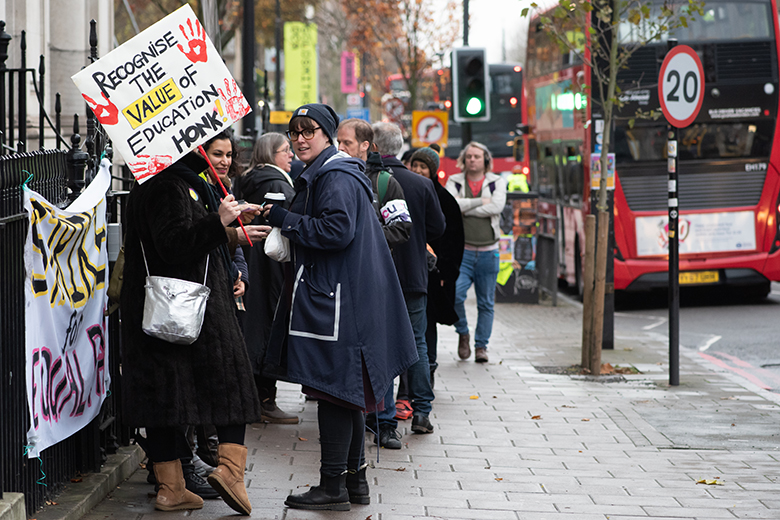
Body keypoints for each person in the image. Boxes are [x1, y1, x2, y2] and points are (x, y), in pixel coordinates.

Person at [262, 104, 418, 511]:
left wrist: (283, 217)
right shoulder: (336, 172)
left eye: (308, 130)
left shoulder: (334, 175)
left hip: (340, 304)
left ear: (327, 134)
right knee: (348, 395)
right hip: (344, 300)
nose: (299, 138)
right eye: (294, 131)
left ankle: (332, 486)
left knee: (333, 392)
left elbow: (336, 230)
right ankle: (355, 484)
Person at [120, 149, 269, 515]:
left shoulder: (176, 181)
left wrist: (229, 230)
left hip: (169, 308)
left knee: (166, 397)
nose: (214, 154)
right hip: (187, 307)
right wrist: (217, 222)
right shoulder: (166, 184)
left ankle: (172, 488)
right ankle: (230, 472)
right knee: (231, 383)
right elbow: (173, 244)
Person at [372, 122, 446, 440]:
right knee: (417, 342)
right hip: (414, 273)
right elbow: (438, 227)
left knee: (383, 342)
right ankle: (422, 411)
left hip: (378, 273)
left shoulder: (368, 179)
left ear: (372, 146)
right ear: (399, 146)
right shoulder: (420, 183)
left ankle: (383, 413)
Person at [233, 132, 299, 424]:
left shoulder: (252, 179)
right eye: (286, 150)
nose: (291, 155)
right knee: (268, 325)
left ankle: (255, 397)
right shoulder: (276, 183)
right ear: (271, 154)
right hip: (269, 264)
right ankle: (264, 399)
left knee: (254, 325)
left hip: (253, 261)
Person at [445, 141, 507, 363]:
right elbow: (451, 205)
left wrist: (466, 207)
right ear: (464, 159)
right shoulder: (455, 181)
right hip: (463, 252)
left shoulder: (496, 182)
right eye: (469, 156)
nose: (472, 160)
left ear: (485, 160)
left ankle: (481, 347)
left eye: (477, 157)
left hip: (489, 252)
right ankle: (463, 332)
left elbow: (496, 207)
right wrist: (480, 201)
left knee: (486, 303)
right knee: (455, 295)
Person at [409, 147, 464, 388]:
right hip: (412, 268)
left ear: (433, 170)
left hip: (435, 273)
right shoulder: (406, 190)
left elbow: (454, 240)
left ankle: (428, 368)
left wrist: (447, 272)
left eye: (424, 167)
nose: (419, 170)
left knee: (428, 322)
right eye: (416, 165)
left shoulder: (445, 200)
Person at [336, 118, 411, 249]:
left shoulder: (383, 182)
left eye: (347, 143)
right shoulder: (331, 177)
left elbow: (401, 229)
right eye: (339, 142)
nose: (340, 148)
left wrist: (361, 236)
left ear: (365, 145)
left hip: (370, 265)